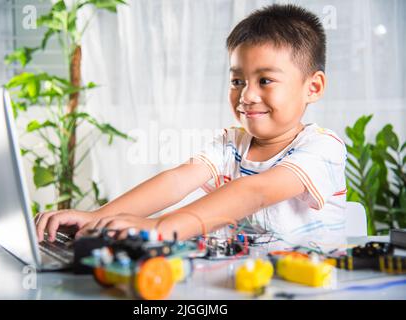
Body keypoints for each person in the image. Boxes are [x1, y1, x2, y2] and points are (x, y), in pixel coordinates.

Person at [36, 4, 347, 243]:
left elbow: (255, 191)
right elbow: (176, 181)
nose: (247, 95)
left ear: (314, 87)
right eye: (237, 80)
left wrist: (162, 227)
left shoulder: (322, 148)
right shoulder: (231, 143)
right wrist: (96, 218)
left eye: (265, 80)